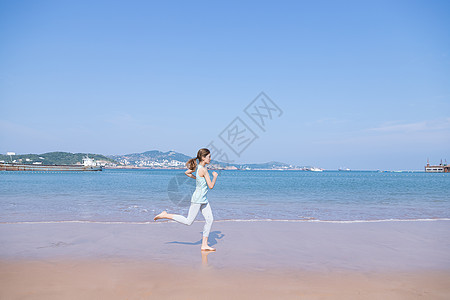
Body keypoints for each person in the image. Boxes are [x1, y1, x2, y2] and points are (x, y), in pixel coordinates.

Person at [154, 148, 218, 251]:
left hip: (203, 199)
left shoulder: (198, 168)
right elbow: (210, 186)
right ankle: (165, 215)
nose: (210, 158)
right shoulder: (203, 169)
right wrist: (215, 176)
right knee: (188, 221)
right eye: (209, 157)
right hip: (198, 199)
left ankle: (204, 245)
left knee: (210, 219)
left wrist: (197, 178)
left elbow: (187, 173)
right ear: (203, 157)